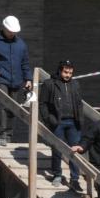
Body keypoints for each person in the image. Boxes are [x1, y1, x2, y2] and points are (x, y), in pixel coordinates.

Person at [0, 15, 32, 145]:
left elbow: (25, 63)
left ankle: (9, 134)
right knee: (3, 105)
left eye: (14, 32)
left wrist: (28, 78)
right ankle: (2, 135)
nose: (12, 34)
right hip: (1, 79)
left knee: (13, 108)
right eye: (10, 31)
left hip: (16, 81)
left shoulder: (21, 45)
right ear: (4, 28)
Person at [39, 59, 83, 191]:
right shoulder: (49, 84)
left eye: (70, 72)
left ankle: (74, 179)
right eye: (65, 72)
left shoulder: (75, 84)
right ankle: (57, 174)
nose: (68, 75)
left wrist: (80, 119)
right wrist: (49, 119)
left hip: (73, 122)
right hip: (57, 121)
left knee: (75, 151)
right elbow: (43, 104)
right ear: (59, 70)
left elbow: (79, 103)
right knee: (57, 148)